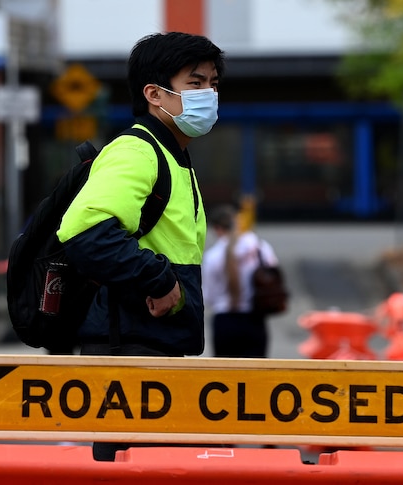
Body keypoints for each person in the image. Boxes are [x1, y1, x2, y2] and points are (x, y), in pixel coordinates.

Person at [56, 32, 225, 460]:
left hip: (151, 347)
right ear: (154, 94)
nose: (210, 94)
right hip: (128, 351)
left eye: (214, 84)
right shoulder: (137, 150)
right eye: (197, 83)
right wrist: (157, 280)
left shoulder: (173, 155)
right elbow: (84, 232)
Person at [202, 204, 280, 358]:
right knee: (256, 377)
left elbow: (208, 296)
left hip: (224, 322)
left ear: (217, 229)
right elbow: (274, 275)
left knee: (225, 378)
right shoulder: (260, 248)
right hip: (254, 320)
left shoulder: (213, 256)